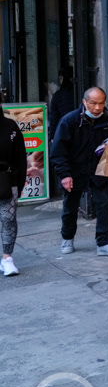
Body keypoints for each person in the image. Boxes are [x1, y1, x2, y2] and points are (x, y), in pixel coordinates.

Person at [49, 86, 108, 256]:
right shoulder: (70, 121)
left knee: (104, 204)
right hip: (74, 169)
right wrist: (65, 174)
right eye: (93, 103)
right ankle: (67, 238)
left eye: (101, 103)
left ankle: (104, 243)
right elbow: (58, 151)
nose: (97, 108)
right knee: (70, 206)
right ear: (84, 102)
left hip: (98, 169)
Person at [0, 110, 27, 276]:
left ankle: (7, 258)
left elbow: (20, 157)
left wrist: (19, 182)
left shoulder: (10, 126)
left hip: (6, 178)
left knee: (8, 218)